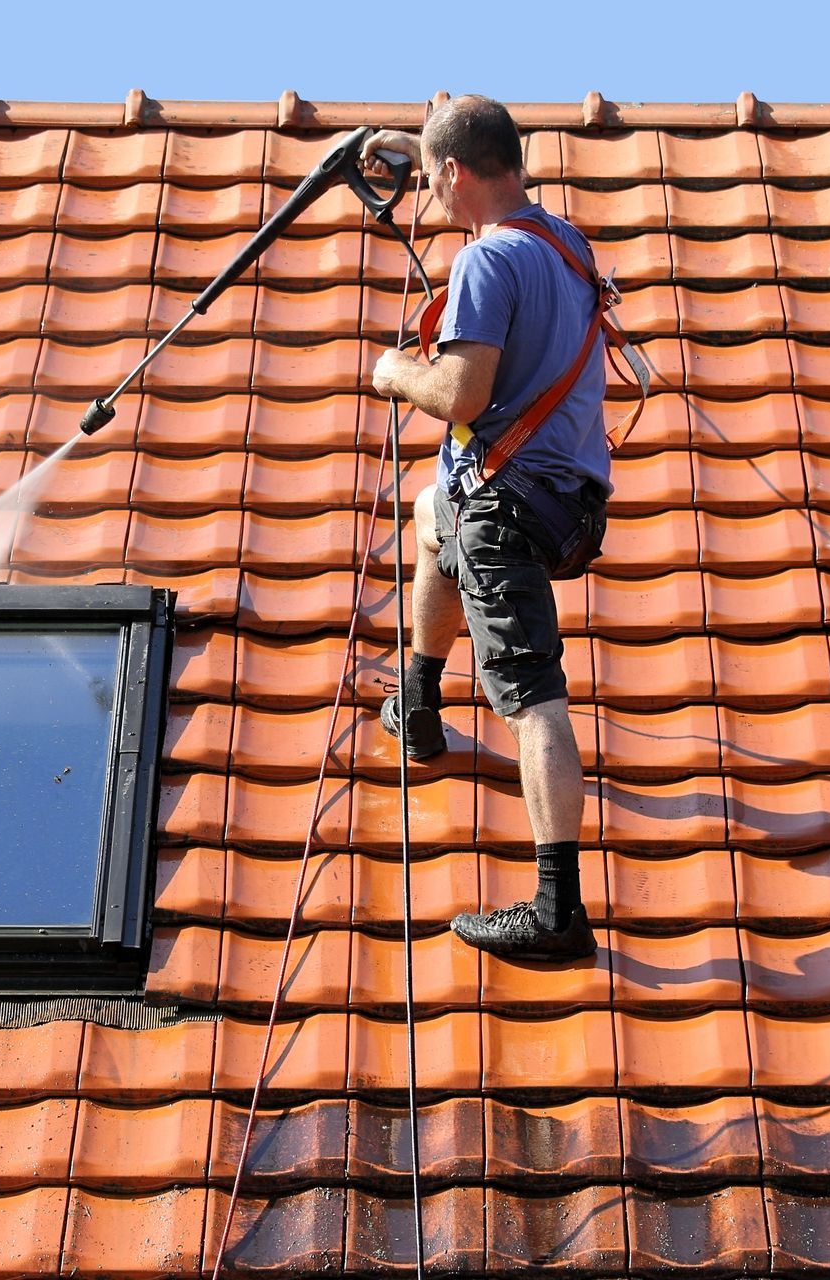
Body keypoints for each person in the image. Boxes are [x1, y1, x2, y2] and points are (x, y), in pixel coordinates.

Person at [363, 96, 611, 962]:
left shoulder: (486, 261)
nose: (426, 189)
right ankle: (421, 703)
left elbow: (462, 397)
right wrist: (408, 144)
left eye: (432, 176)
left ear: (455, 174)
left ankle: (558, 910)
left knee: (532, 699)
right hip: (572, 500)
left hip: (512, 506)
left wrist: (397, 373)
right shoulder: (564, 244)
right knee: (434, 513)